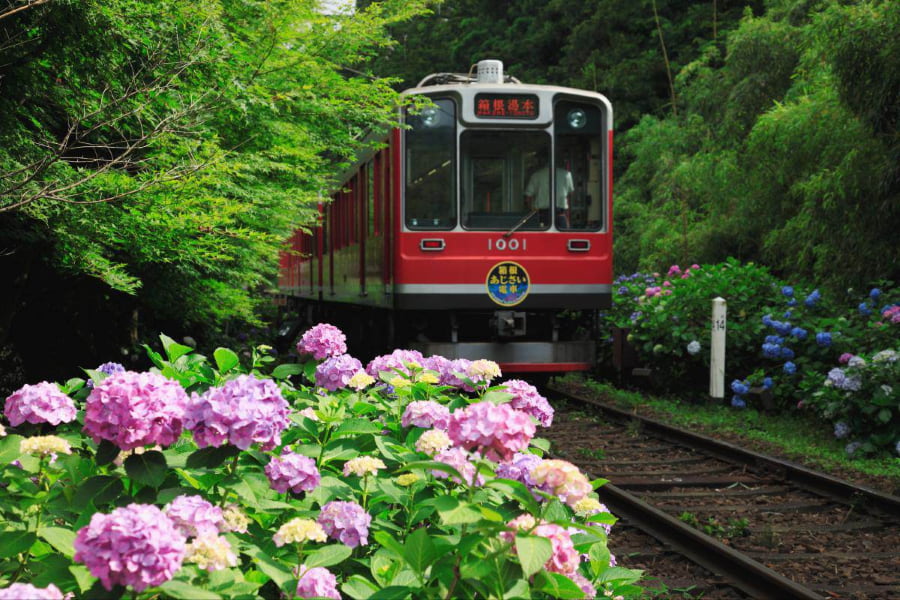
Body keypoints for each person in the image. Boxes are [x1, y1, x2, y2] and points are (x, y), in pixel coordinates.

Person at [524, 149, 574, 228]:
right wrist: (567, 217)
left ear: (541, 160)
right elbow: (570, 195)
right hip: (561, 216)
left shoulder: (536, 175)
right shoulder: (567, 175)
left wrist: (532, 212)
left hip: (542, 217)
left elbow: (528, 198)